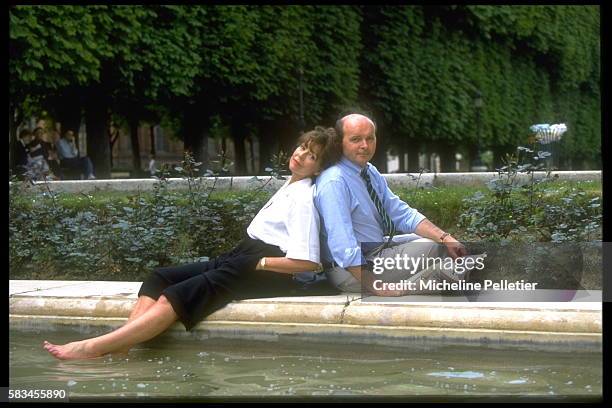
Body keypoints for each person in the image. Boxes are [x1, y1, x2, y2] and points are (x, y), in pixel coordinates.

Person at [43, 126, 340, 360]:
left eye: (311, 155)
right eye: (302, 147)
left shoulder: (303, 198)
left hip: (262, 269)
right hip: (243, 258)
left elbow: (307, 262)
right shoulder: (291, 185)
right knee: (159, 277)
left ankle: (94, 347)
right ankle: (122, 344)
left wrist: (258, 263)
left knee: (174, 296)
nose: (300, 155)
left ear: (317, 168)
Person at [314, 113, 468, 296]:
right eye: (356, 139)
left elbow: (402, 213)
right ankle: (411, 286)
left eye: (370, 138)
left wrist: (445, 237)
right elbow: (343, 245)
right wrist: (376, 286)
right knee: (436, 249)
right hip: (350, 271)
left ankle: (433, 277)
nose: (365, 145)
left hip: (376, 251)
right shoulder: (334, 182)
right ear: (339, 142)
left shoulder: (369, 172)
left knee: (441, 243)